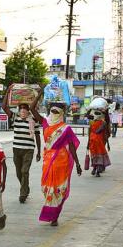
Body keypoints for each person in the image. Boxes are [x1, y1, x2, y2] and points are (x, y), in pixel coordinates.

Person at [30, 92, 82, 226]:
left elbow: (71, 147)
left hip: (61, 161)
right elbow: (31, 108)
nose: (53, 113)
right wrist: (40, 94)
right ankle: (51, 213)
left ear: (61, 113)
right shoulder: (45, 123)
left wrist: (77, 164)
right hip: (48, 160)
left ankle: (55, 217)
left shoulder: (66, 129)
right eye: (52, 110)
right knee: (46, 189)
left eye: (56, 111)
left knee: (59, 190)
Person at [2, 84, 41, 203]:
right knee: (19, 172)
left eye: (25, 107)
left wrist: (39, 151)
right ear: (18, 109)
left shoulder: (34, 120)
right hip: (16, 149)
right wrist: (8, 91)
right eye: (21, 107)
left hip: (29, 149)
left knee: (25, 171)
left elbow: (38, 136)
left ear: (28, 109)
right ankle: (25, 187)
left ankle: (23, 193)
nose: (23, 109)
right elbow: (4, 107)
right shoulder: (15, 117)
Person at [87, 110, 111, 177]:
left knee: (94, 155)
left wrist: (88, 144)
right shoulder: (103, 123)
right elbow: (103, 133)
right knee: (99, 156)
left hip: (92, 141)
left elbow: (89, 134)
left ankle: (94, 169)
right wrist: (108, 144)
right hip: (99, 142)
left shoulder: (92, 123)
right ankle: (97, 171)